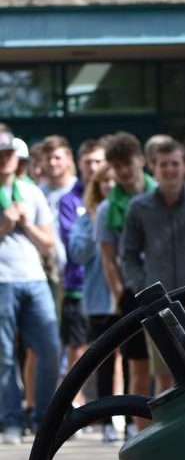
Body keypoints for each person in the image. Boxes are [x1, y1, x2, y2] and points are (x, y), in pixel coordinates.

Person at [120, 138, 185, 397]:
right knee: (166, 384)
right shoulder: (139, 208)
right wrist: (143, 287)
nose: (170, 169)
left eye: (175, 163)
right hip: (160, 310)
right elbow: (128, 255)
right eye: (164, 164)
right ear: (153, 167)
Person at [0, 124, 60, 444]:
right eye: (1, 154)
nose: (5, 159)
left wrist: (24, 223)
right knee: (4, 356)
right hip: (2, 282)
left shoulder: (31, 192)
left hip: (34, 278)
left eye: (9, 153)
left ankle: (44, 418)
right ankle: (10, 420)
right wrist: (4, 224)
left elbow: (48, 243)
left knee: (50, 348)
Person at [96, 131, 154, 404]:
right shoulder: (107, 209)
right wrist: (120, 293)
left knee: (170, 364)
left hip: (165, 284)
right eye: (116, 167)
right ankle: (136, 427)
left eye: (127, 163)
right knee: (138, 364)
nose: (123, 171)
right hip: (132, 291)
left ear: (141, 160)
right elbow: (108, 258)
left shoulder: (161, 195)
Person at [68, 161, 120, 438]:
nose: (110, 186)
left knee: (134, 361)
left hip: (126, 295)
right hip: (99, 299)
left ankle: (132, 419)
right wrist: (93, 223)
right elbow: (77, 254)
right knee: (104, 361)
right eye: (104, 182)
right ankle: (107, 422)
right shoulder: (86, 218)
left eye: (114, 181)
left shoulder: (127, 210)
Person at [42, 134, 88, 375]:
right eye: (48, 158)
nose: (52, 163)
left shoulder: (83, 189)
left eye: (57, 157)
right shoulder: (38, 191)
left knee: (78, 344)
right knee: (46, 342)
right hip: (47, 275)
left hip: (76, 278)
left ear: (69, 159)